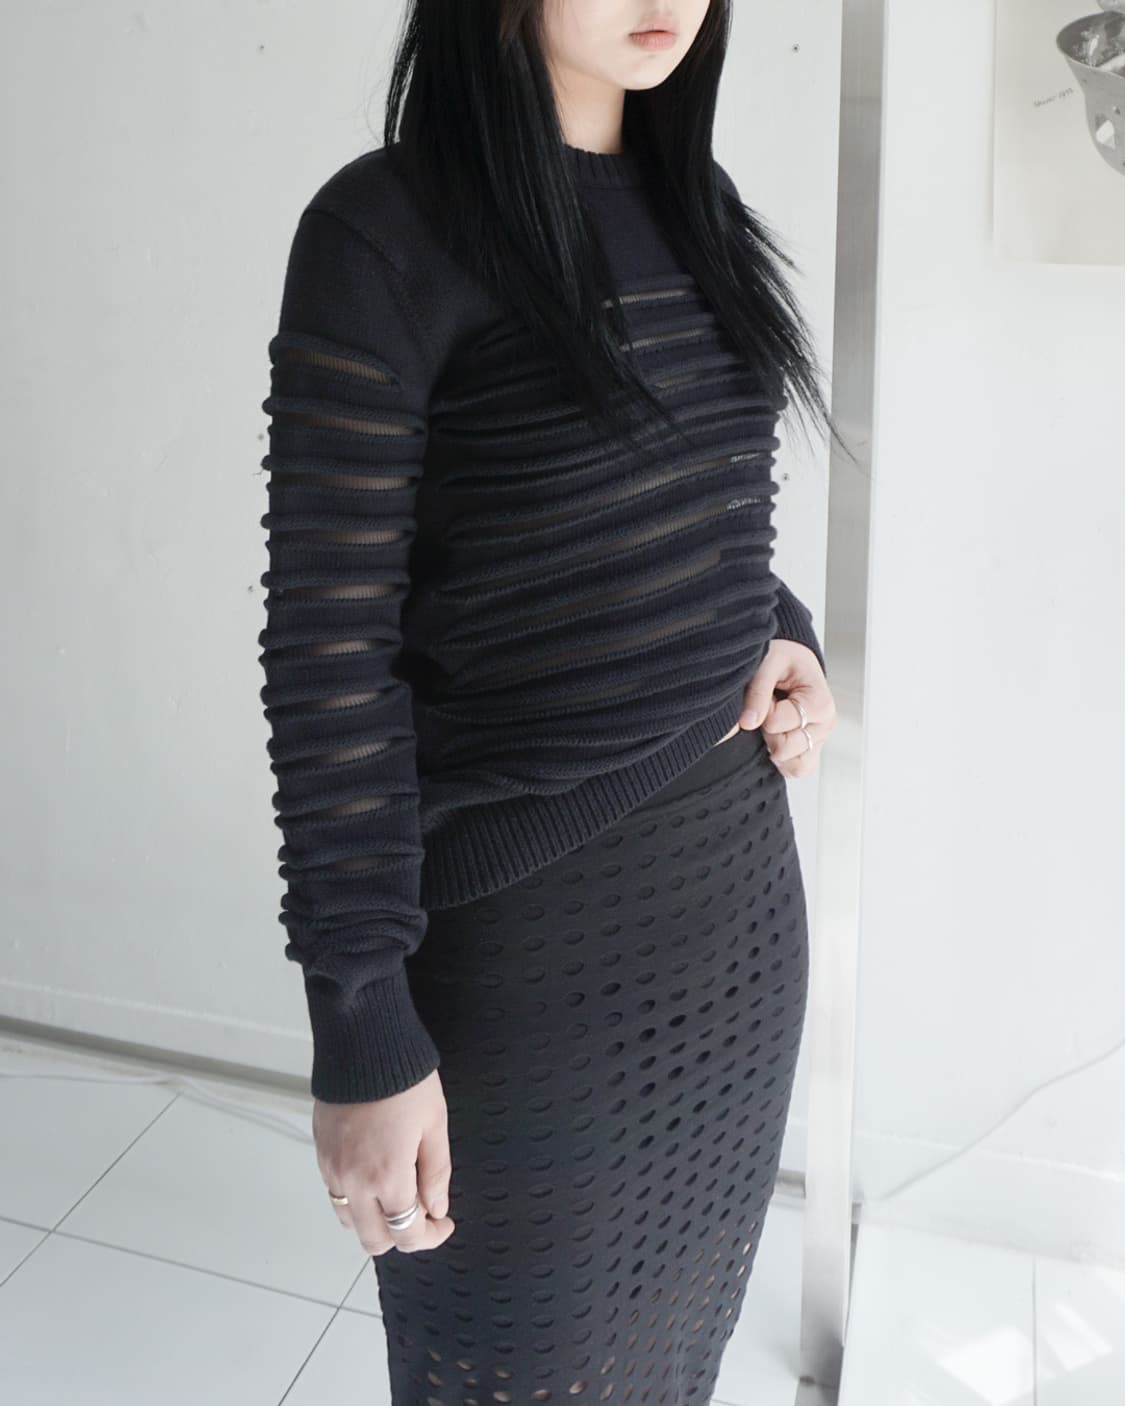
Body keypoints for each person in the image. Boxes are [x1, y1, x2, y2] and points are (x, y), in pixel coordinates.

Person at [257, 1, 840, 1398]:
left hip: (736, 915)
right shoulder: (383, 231)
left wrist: (780, 630)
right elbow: (327, 656)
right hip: (529, 955)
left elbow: (694, 499)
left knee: (673, 1355)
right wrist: (360, 1020)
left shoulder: (698, 206)